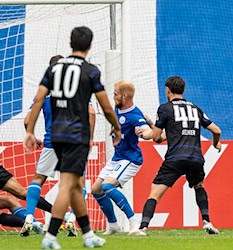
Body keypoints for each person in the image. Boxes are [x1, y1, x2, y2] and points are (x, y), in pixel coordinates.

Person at [24, 26, 121, 249]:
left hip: (56, 136)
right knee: (67, 184)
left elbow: (39, 99)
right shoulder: (90, 71)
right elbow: (105, 107)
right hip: (76, 135)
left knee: (76, 184)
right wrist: (116, 127)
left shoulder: (54, 69)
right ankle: (50, 237)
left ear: (70, 44)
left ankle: (87, 235)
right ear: (90, 46)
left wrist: (30, 131)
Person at [130, 76, 222, 236]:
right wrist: (215, 143)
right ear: (183, 90)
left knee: (154, 194)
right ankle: (207, 222)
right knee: (199, 186)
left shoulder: (165, 108)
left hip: (175, 158)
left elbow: (157, 138)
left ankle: (143, 228)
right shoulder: (195, 108)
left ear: (167, 90)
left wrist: (150, 126)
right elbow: (217, 130)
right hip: (195, 158)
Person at [22, 54, 97, 238]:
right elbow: (92, 113)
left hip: (51, 142)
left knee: (38, 179)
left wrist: (31, 134)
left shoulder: (44, 93)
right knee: (77, 182)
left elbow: (27, 120)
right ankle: (72, 218)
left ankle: (29, 218)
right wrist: (89, 138)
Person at [90, 81, 153, 235]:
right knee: (96, 189)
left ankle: (133, 222)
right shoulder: (118, 110)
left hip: (130, 159)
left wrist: (145, 133)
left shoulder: (134, 116)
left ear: (125, 96)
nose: (114, 97)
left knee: (107, 186)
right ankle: (113, 225)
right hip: (117, 157)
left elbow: (147, 131)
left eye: (116, 94)